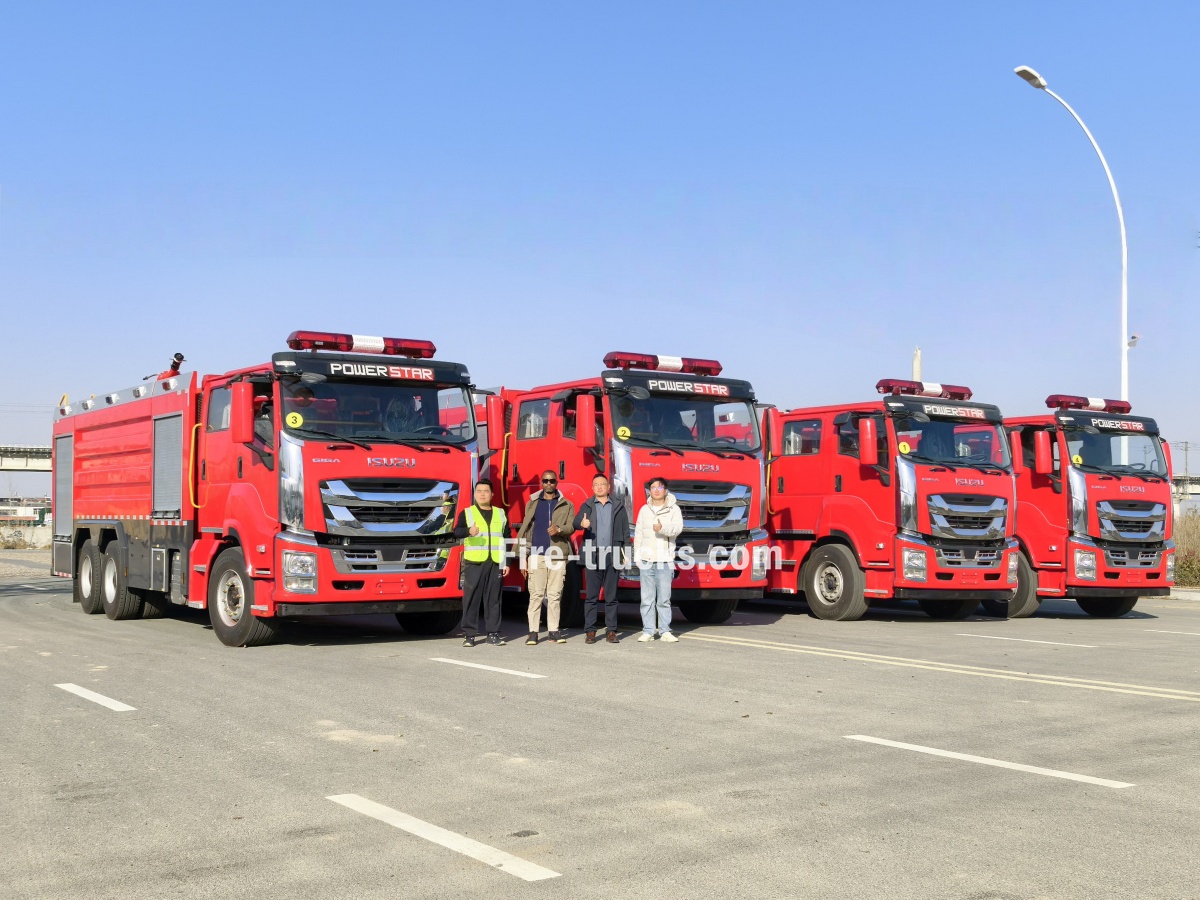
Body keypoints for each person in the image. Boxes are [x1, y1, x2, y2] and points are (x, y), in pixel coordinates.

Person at [515, 470, 574, 645]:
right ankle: (533, 632)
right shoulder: (532, 503)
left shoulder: (567, 504)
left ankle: (553, 631)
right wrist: (522, 558)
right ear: (541, 482)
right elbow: (526, 532)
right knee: (536, 594)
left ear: (557, 483)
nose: (549, 483)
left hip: (557, 555)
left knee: (555, 595)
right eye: (546, 480)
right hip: (536, 555)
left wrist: (559, 530)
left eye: (552, 481)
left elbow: (571, 527)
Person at [574, 473, 630, 644]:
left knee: (611, 596)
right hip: (593, 553)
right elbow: (575, 523)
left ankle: (611, 631)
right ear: (592, 488)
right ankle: (590, 631)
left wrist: (626, 553)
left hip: (612, 554)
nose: (599, 487)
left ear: (608, 487)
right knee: (591, 596)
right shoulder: (587, 506)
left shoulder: (618, 507)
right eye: (596, 484)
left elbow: (626, 533)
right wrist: (581, 525)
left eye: (602, 484)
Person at [453, 480, 509, 647]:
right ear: (475, 494)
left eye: (486, 491)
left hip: (496, 561)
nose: (482, 494)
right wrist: (469, 531)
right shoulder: (467, 513)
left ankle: (493, 633)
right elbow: (456, 532)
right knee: (471, 598)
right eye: (479, 491)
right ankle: (469, 635)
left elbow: (507, 539)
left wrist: (507, 562)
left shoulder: (500, 513)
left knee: (494, 599)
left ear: (492, 494)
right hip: (475, 562)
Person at [633, 477, 683, 642]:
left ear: (666, 490)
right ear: (649, 491)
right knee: (647, 598)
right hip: (646, 560)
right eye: (653, 487)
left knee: (664, 598)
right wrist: (637, 557)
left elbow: (677, 529)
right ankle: (648, 630)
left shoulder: (673, 509)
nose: (656, 490)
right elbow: (639, 534)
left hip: (664, 560)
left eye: (659, 487)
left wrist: (663, 529)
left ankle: (665, 631)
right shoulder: (644, 510)